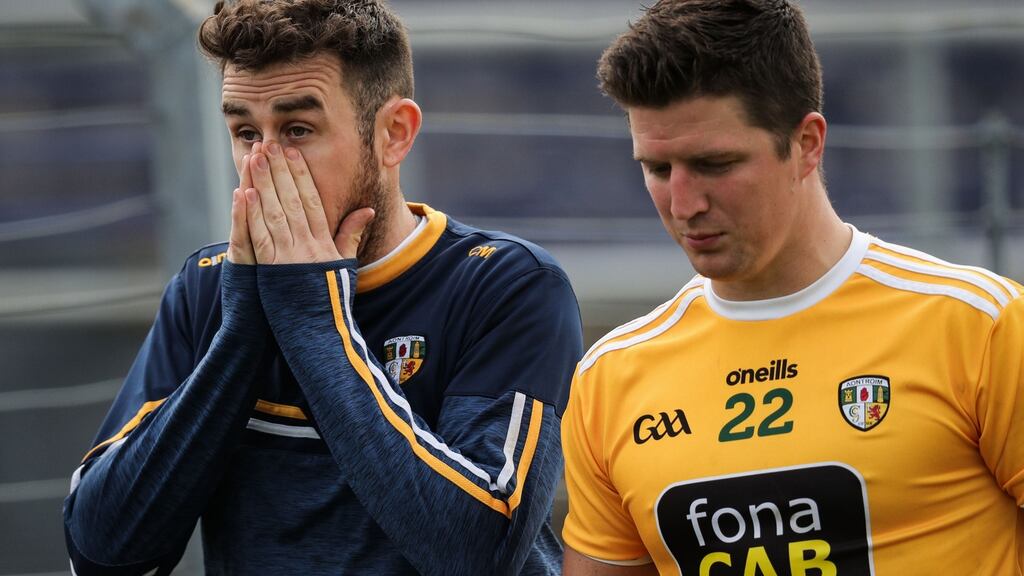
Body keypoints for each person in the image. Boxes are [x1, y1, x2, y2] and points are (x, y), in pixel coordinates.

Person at [63, 1, 583, 574]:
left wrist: (314, 318)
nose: (263, 165)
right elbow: (102, 555)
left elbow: (477, 553)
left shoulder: (504, 284)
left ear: (394, 134)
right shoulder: (208, 290)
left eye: (298, 130)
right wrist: (241, 335)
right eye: (243, 132)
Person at [560, 1, 1024, 574]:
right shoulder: (610, 377)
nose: (684, 205)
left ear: (806, 143)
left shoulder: (980, 327)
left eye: (715, 163)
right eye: (658, 169)